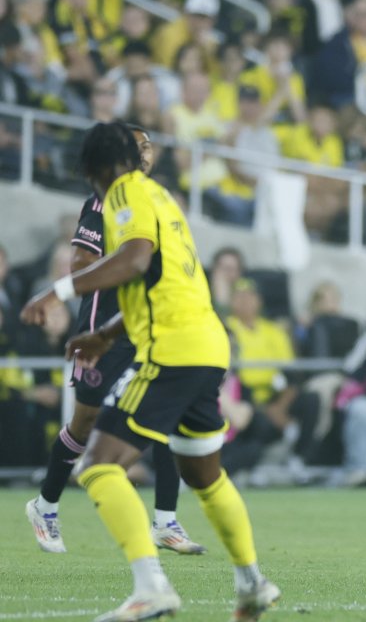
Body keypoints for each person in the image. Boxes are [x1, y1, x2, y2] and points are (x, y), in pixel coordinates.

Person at [20, 122, 279, 622]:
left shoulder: (122, 194)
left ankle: (151, 588)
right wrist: (106, 335)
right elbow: (161, 281)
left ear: (96, 169)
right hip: (207, 344)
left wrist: (59, 291)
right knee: (206, 476)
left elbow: (135, 261)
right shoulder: (161, 197)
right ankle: (251, 583)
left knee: (98, 466)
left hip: (171, 350)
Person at [25, 124, 205, 557]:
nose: (144, 153)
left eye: (149, 146)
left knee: (165, 417)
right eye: (136, 147)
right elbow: (82, 260)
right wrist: (123, 264)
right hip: (101, 328)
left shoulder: (155, 198)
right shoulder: (105, 200)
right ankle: (45, 504)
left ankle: (165, 520)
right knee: (83, 426)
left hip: (144, 328)